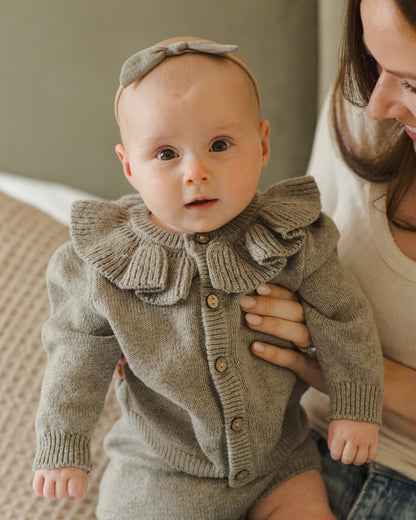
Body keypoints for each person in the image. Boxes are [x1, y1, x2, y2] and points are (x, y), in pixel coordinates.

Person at [32, 37, 383, 520]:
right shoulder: (104, 262)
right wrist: (63, 443)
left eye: (220, 145)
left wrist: (355, 406)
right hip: (162, 473)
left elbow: (344, 317)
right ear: (129, 166)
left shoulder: (292, 236)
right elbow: (75, 354)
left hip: (279, 464)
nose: (195, 172)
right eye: (166, 154)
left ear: (262, 145)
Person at [244, 0, 416, 518]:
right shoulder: (363, 99)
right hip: (286, 449)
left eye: (412, 83)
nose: (376, 106)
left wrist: (338, 360)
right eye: (373, 62)